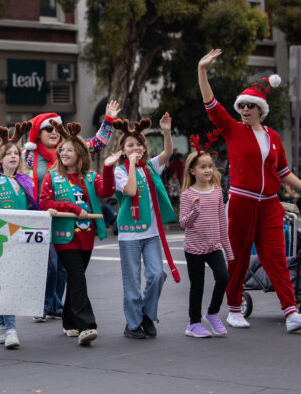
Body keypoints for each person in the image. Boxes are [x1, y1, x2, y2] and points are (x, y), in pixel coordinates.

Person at [198, 49, 301, 332]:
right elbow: (210, 103)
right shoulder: (232, 129)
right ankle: (233, 309)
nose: (243, 110)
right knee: (239, 256)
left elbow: (284, 174)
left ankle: (291, 312)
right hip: (243, 202)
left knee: (276, 257)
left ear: (261, 109)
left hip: (270, 204)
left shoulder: (274, 137)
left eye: (249, 106)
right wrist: (202, 69)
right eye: (241, 105)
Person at [24, 101, 121, 321]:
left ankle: (57, 305)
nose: (53, 132)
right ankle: (42, 304)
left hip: (70, 217)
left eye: (56, 127)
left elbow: (97, 143)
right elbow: (16, 175)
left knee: (63, 267)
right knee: (46, 263)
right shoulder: (29, 156)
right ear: (38, 134)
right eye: (48, 128)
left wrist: (108, 120)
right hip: (40, 213)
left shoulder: (71, 147)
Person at [112, 114, 176, 339]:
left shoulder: (150, 167)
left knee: (157, 274)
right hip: (129, 235)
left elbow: (168, 153)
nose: (135, 147)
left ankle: (147, 315)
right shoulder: (118, 171)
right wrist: (129, 163)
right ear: (122, 150)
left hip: (151, 233)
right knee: (131, 283)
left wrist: (166, 131)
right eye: (130, 145)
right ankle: (132, 324)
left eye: (139, 144)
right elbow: (130, 191)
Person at [0, 121, 37, 349]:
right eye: (8, 154)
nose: (13, 156)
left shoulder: (24, 182)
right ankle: (11, 329)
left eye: (16, 153)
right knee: (7, 283)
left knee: (9, 284)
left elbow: (33, 208)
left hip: (20, 238)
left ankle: (1, 325)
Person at [179, 138, 234, 338]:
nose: (208, 170)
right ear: (192, 171)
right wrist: (195, 211)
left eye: (210, 166)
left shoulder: (218, 192)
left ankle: (212, 313)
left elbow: (222, 222)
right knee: (198, 286)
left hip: (213, 246)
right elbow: (184, 223)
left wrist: (228, 250)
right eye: (203, 167)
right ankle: (193, 323)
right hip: (194, 248)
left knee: (223, 277)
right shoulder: (187, 194)